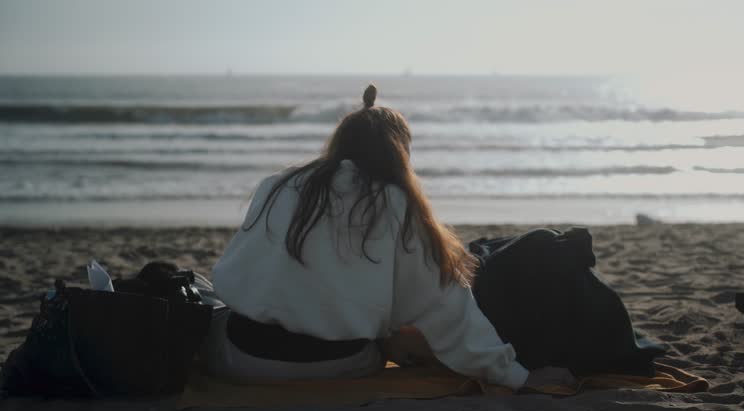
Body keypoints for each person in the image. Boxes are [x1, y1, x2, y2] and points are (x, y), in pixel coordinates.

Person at [206, 84, 574, 390]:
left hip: (244, 359)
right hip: (338, 364)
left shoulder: (278, 185)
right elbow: (447, 307)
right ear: (398, 152)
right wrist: (517, 377)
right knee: (398, 332)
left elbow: (234, 277)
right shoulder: (396, 202)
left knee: (206, 301)